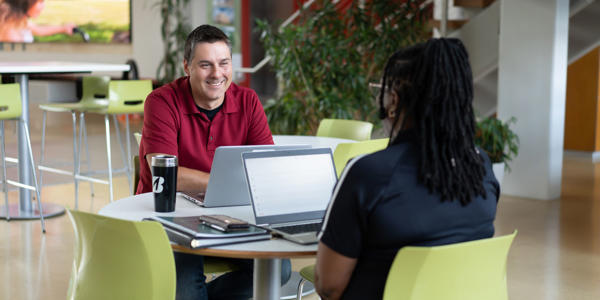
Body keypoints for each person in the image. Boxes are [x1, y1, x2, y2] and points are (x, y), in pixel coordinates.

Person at [314, 38, 500, 300]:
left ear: (395, 101)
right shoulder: (480, 166)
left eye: (383, 90)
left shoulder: (367, 173)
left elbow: (328, 286)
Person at [138, 25, 290, 300]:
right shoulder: (161, 101)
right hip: (167, 216)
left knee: (278, 270)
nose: (217, 74)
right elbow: (166, 176)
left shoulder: (248, 101)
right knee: (185, 284)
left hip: (228, 214)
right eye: (205, 65)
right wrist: (223, 183)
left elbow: (265, 168)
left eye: (224, 63)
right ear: (187, 66)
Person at [0, 0, 74, 43]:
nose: (43, 6)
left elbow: (38, 29)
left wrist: (64, 28)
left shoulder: (17, 20)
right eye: (40, 2)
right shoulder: (9, 28)